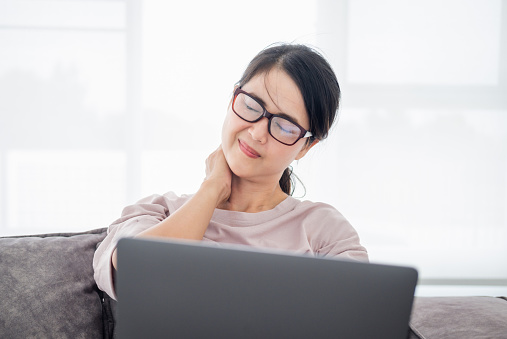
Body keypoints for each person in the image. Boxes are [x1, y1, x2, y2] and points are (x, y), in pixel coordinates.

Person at [93, 43, 368, 300]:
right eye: (251, 106)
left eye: (284, 126)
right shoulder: (157, 213)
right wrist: (212, 188)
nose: (257, 132)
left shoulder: (325, 231)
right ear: (232, 100)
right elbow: (133, 274)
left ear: (305, 146)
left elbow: (360, 319)